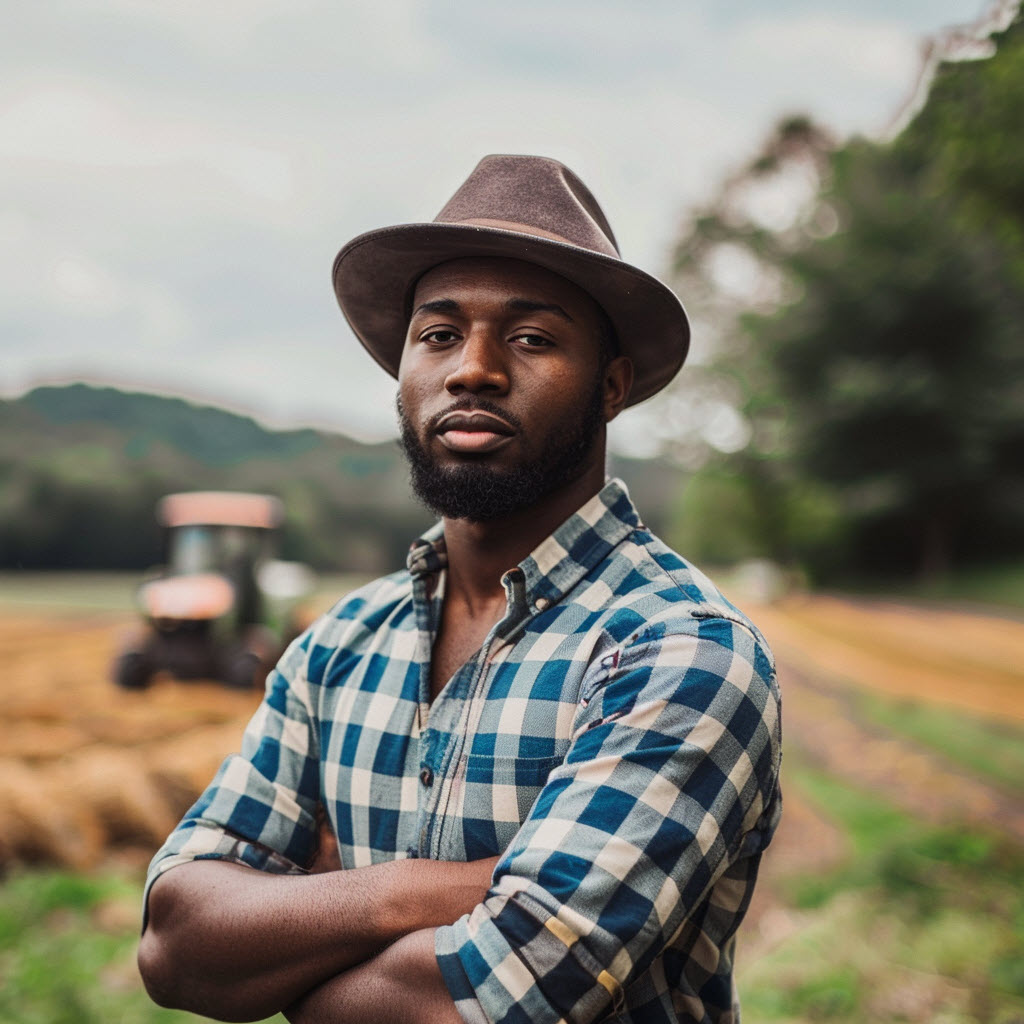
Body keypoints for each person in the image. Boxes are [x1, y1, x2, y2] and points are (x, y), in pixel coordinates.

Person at [138, 154, 782, 1024]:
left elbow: (476, 1004)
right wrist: (420, 892)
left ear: (612, 388)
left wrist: (294, 937)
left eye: (532, 339)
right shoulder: (339, 644)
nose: (472, 369)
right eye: (439, 335)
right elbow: (176, 944)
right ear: (404, 370)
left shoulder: (679, 649)